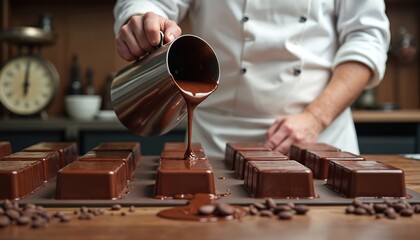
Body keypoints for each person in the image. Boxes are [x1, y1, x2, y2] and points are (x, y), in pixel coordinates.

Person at [113, 0, 390, 159]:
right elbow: (151, 2)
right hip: (216, 140)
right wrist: (141, 18)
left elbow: (367, 38)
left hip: (319, 138)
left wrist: (316, 118)